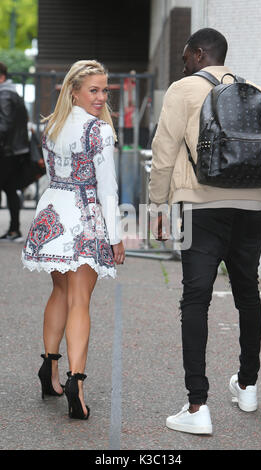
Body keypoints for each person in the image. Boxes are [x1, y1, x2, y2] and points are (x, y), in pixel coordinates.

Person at [149, 28, 261, 434]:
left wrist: (156, 204)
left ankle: (197, 405)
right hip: (252, 206)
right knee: (248, 292)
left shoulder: (183, 90)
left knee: (195, 299)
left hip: (200, 206)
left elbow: (164, 149)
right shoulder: (258, 90)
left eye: (186, 55)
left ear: (199, 54)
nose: (183, 62)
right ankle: (249, 385)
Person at [22, 60, 125, 420]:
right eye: (93, 90)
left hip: (52, 213)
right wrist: (116, 236)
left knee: (61, 293)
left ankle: (48, 370)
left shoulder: (51, 125)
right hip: (83, 217)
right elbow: (108, 189)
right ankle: (75, 384)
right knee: (80, 300)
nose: (100, 97)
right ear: (75, 91)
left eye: (104, 91)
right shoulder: (99, 131)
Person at [0, 62, 29, 242]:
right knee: (10, 189)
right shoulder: (13, 93)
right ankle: (14, 230)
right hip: (14, 151)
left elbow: (4, 126)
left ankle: (14, 230)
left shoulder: (4, 95)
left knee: (10, 189)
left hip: (6, 151)